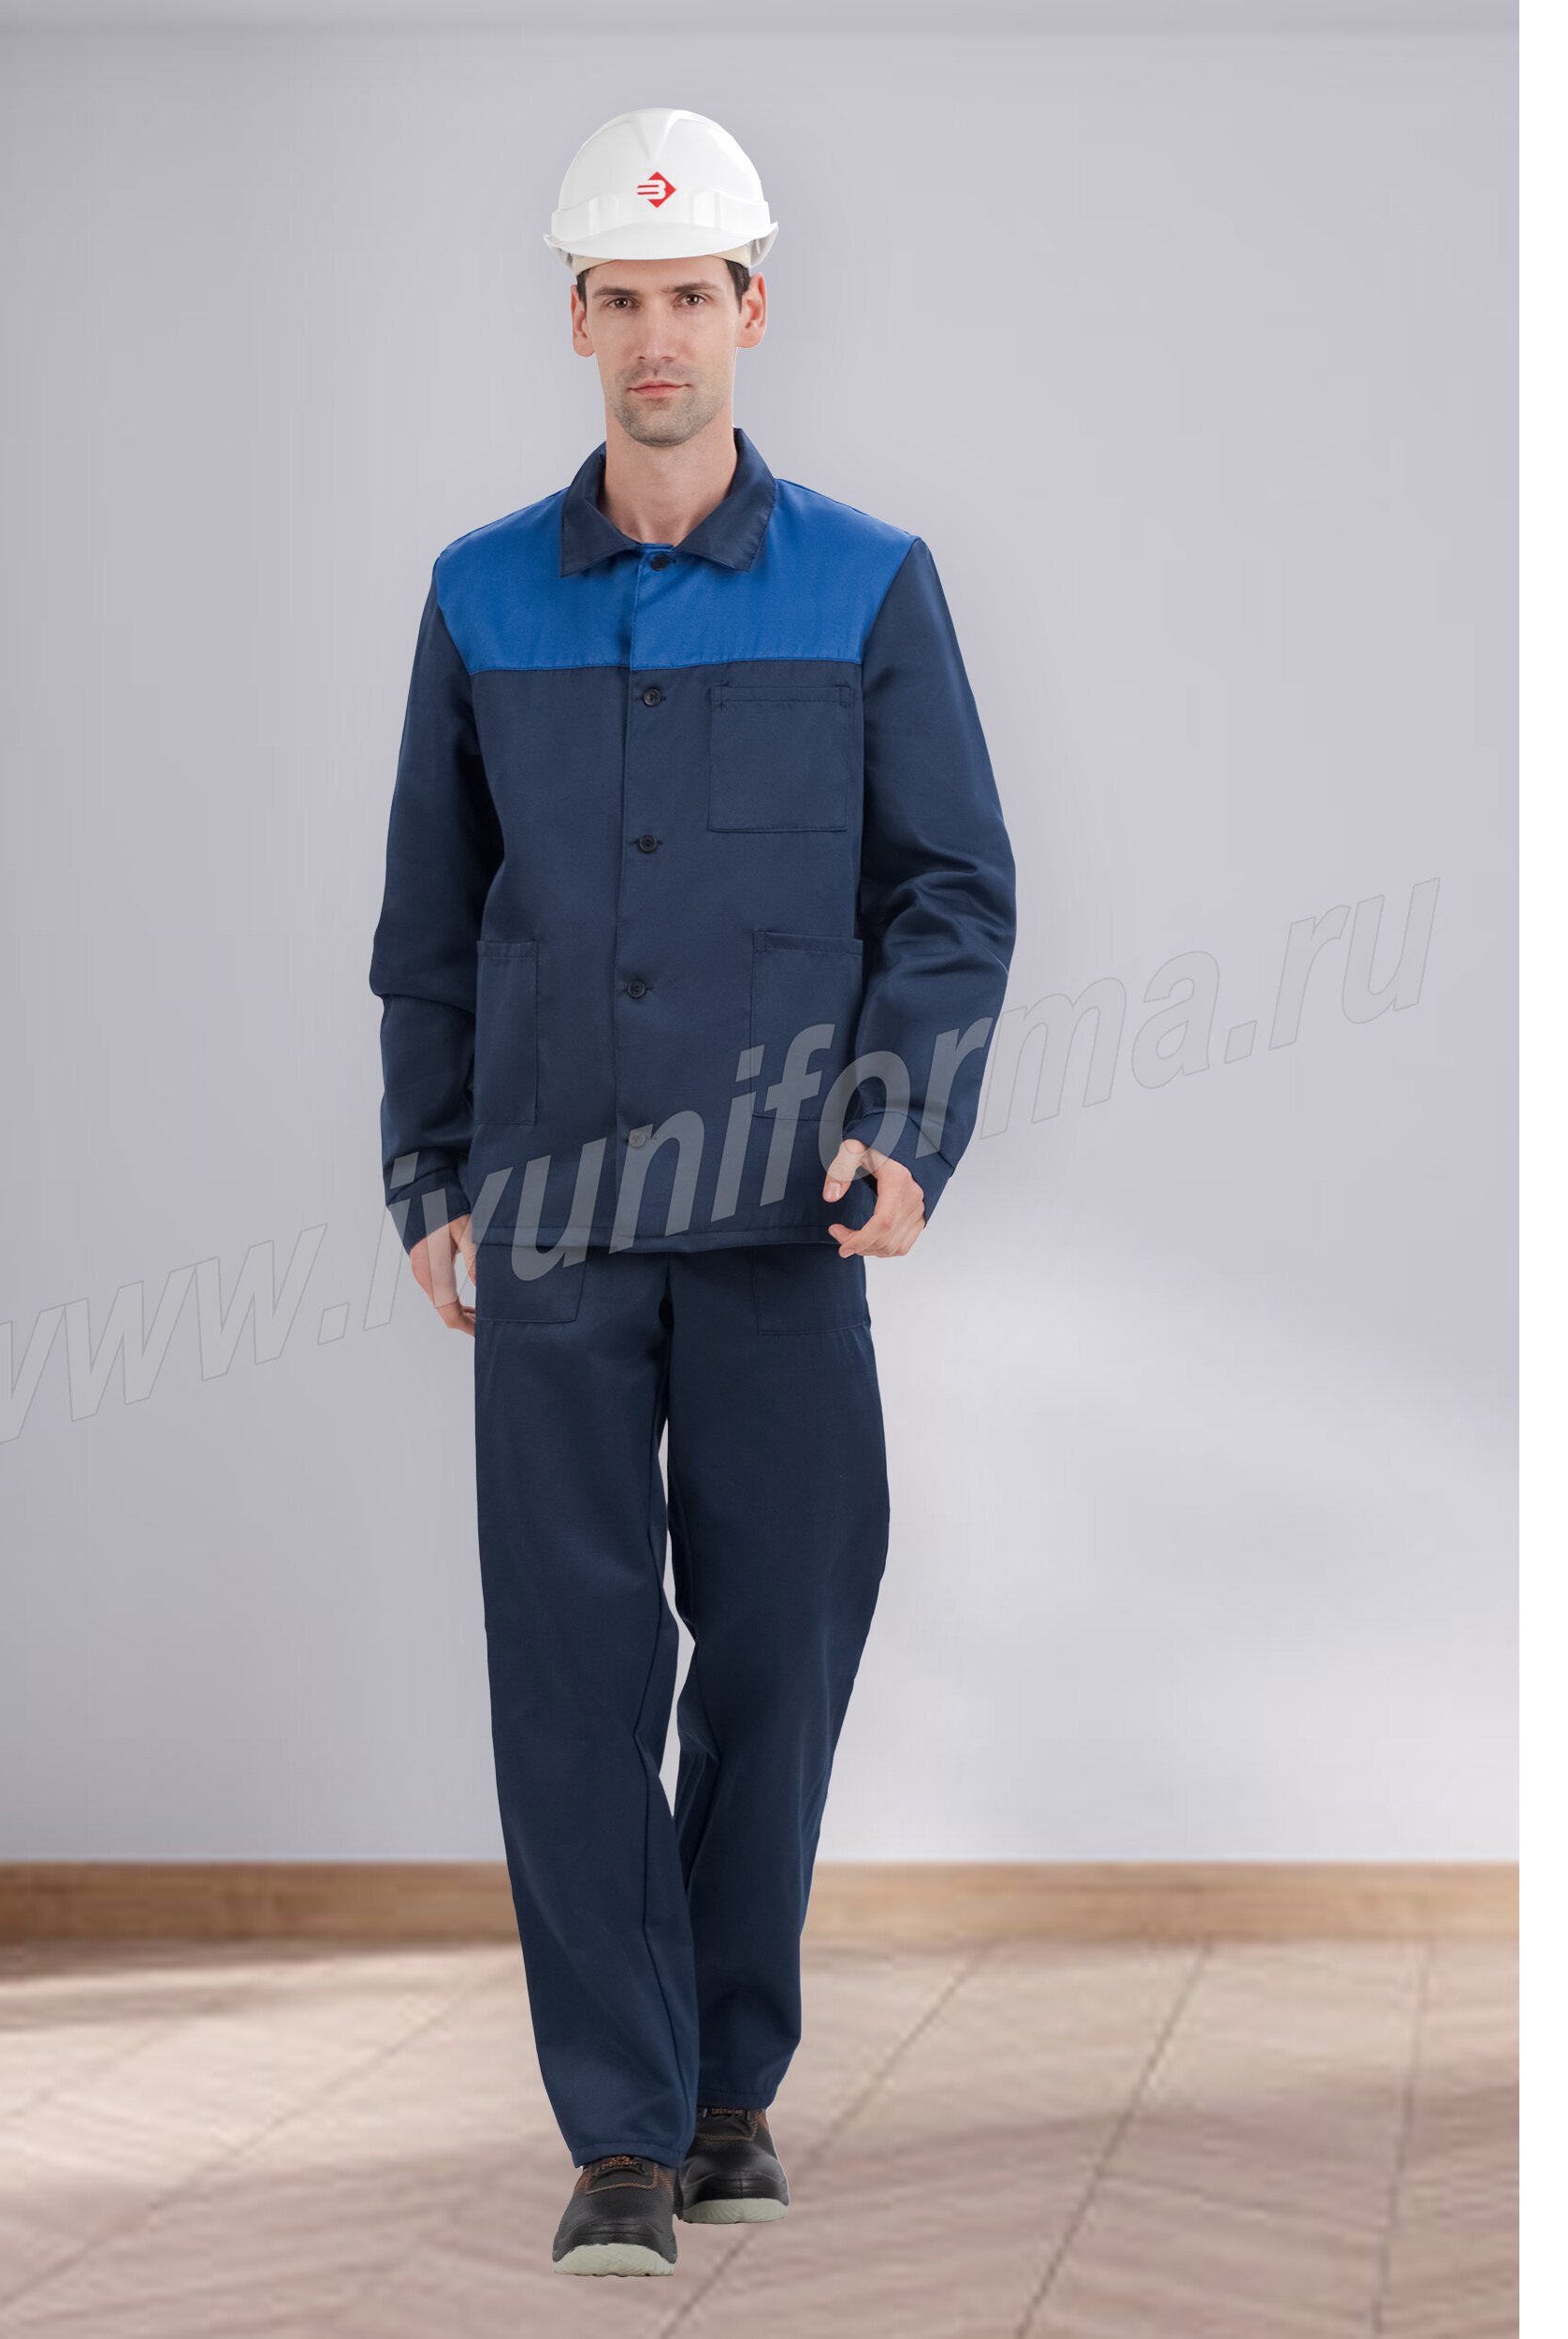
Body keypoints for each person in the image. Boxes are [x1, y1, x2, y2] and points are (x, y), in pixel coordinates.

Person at [368, 106, 1017, 2277]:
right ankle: (626, 2133)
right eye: (620, 299)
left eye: (691, 296)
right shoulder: (477, 595)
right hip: (547, 1220)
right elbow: (427, 922)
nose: (658, 337)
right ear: (575, 321)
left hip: (779, 1227)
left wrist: (902, 1121)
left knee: (779, 1651)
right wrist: (425, 1169)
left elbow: (946, 888)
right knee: (570, 1676)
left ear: (752, 308)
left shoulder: (868, 582)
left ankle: (731, 2079)